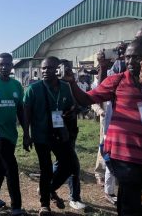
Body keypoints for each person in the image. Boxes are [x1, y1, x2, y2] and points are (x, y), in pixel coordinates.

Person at [63, 38, 142, 215]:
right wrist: (71, 83)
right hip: (124, 157)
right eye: (127, 57)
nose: (130, 62)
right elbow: (86, 99)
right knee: (128, 208)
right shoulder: (117, 81)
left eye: (137, 57)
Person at [23, 56, 76, 216]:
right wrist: (26, 134)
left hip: (60, 134)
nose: (46, 71)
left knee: (70, 166)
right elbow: (26, 112)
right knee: (46, 169)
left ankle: (49, 189)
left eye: (50, 68)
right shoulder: (34, 88)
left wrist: (71, 113)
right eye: (44, 68)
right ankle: (44, 205)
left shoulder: (65, 87)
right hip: (41, 135)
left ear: (58, 69)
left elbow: (70, 108)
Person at [0, 53, 26, 216]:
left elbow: (21, 110)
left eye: (7, 64)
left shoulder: (17, 86)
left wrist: (26, 132)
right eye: (1, 64)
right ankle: (16, 206)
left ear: (11, 67)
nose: (4, 67)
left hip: (11, 134)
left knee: (2, 167)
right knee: (11, 167)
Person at [52, 59, 86, 210]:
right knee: (74, 166)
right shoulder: (53, 85)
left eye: (69, 68)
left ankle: (47, 187)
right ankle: (74, 197)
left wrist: (77, 108)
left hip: (71, 131)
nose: (66, 71)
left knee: (61, 163)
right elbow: (54, 110)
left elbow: (82, 103)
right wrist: (60, 126)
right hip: (59, 133)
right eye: (63, 68)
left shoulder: (71, 84)